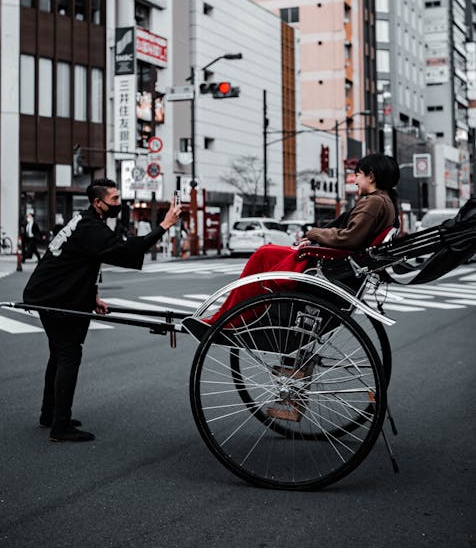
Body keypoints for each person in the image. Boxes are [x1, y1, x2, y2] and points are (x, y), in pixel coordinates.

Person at [23, 178, 181, 443]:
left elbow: (84, 261)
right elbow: (127, 249)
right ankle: (60, 426)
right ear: (98, 202)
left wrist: (93, 295)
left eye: (119, 197)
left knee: (58, 354)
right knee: (69, 353)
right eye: (114, 199)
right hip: (54, 297)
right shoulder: (90, 227)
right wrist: (164, 225)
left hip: (51, 293)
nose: (119, 203)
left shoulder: (86, 222)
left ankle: (50, 414)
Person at [203, 154, 399, 325]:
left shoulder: (374, 202)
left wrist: (313, 235)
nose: (355, 180)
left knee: (264, 253)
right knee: (268, 252)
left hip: (332, 263)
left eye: (358, 175)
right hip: (340, 262)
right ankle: (231, 314)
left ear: (371, 176)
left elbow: (349, 238)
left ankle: (229, 317)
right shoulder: (386, 202)